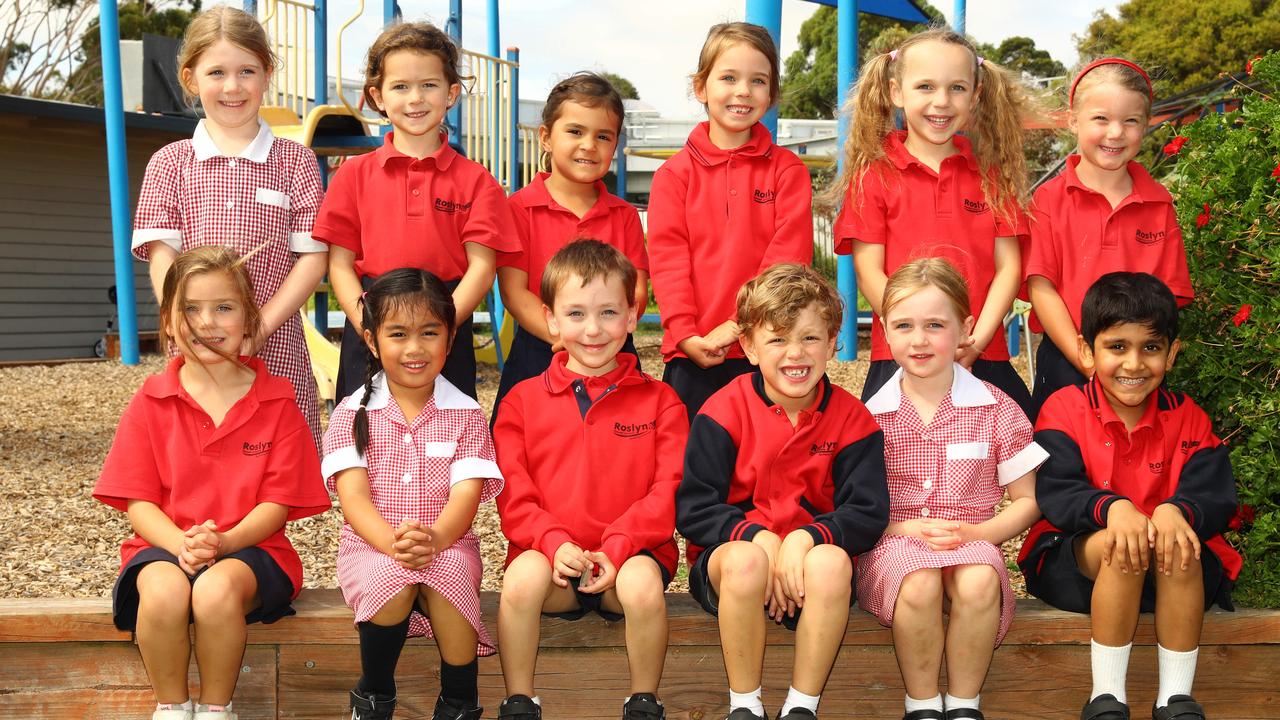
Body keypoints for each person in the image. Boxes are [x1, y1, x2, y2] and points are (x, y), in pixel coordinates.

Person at [94, 245, 331, 720]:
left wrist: (223, 542)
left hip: (253, 549)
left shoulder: (278, 403)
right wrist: (183, 544)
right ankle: (172, 707)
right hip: (164, 543)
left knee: (213, 590)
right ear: (168, 322)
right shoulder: (151, 401)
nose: (207, 322)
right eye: (190, 309)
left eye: (224, 307)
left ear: (250, 320)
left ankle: (217, 709)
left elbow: (277, 506)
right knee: (162, 590)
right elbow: (138, 503)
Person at [1018, 272, 1241, 720]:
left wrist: (1176, 511)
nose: (1134, 364)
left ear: (1171, 354)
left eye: (1151, 348)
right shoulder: (1064, 408)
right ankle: (1108, 697)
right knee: (1122, 542)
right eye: (1117, 347)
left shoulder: (1188, 417)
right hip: (1079, 563)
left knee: (1177, 544)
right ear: (1086, 350)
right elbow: (1057, 491)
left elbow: (1216, 495)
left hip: (1174, 572)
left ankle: (1174, 699)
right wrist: (1114, 507)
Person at [676, 263, 889, 720]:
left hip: (812, 571)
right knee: (747, 561)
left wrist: (806, 537)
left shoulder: (854, 421)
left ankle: (801, 706)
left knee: (832, 562)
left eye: (810, 338)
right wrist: (760, 537)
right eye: (777, 339)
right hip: (732, 566)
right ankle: (745, 705)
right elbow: (694, 510)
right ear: (749, 347)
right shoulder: (722, 411)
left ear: (834, 341)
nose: (796, 353)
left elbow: (868, 512)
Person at [492, 240, 688, 720]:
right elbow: (514, 495)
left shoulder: (662, 401)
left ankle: (644, 700)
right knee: (519, 582)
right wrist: (554, 543)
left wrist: (617, 548)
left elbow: (667, 493)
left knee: (643, 586)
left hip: (629, 560)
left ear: (631, 315)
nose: (594, 329)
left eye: (608, 312)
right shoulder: (520, 401)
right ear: (551, 320)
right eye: (576, 314)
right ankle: (519, 700)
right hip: (552, 562)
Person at [858, 258, 1048, 720]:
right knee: (919, 583)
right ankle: (921, 704)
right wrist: (903, 526)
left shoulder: (996, 407)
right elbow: (854, 506)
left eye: (935, 325)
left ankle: (965, 705)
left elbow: (1028, 500)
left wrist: (981, 535)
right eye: (903, 325)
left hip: (972, 541)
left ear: (965, 328)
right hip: (893, 541)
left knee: (981, 578)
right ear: (884, 330)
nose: (919, 339)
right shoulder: (867, 416)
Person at [131, 6, 327, 444]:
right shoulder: (171, 162)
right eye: (217, 72)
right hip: (197, 342)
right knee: (201, 452)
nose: (233, 86)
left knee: (276, 463)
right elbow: (163, 256)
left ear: (267, 73)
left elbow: (312, 259)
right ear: (191, 78)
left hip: (274, 341)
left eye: (247, 71)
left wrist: (258, 330)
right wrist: (185, 323)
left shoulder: (295, 161)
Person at [321, 269, 504, 720]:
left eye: (429, 332)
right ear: (370, 338)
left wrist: (436, 539)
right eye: (398, 334)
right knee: (391, 577)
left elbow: (465, 496)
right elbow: (355, 498)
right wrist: (395, 545)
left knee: (455, 578)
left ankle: (460, 699)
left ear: (451, 335)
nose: (415, 348)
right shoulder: (351, 412)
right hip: (371, 544)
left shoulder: (465, 413)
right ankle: (375, 693)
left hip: (448, 541)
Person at [825, 28, 1033, 417]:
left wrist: (974, 339)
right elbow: (869, 269)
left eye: (957, 88)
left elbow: (1009, 267)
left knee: (1024, 459)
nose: (942, 101)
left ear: (975, 95)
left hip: (980, 351)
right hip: (903, 354)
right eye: (925, 86)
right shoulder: (874, 175)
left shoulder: (994, 174)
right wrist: (912, 334)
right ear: (895, 92)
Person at [315, 21, 518, 402]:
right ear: (378, 96)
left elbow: (481, 267)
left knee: (448, 437)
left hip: (446, 320)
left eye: (428, 85)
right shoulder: (352, 176)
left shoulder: (477, 182)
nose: (415, 99)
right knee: (364, 438)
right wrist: (367, 327)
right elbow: (339, 265)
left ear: (451, 93)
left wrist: (440, 327)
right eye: (400, 86)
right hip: (372, 320)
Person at [647, 22, 814, 419]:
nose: (743, 91)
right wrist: (685, 333)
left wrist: (738, 325)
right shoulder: (674, 174)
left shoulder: (787, 171)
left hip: (769, 348)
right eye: (728, 77)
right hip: (694, 350)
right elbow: (669, 260)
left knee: (764, 466)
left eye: (758, 81)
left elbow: (786, 262)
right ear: (701, 87)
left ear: (771, 93)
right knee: (693, 469)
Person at [1025, 59, 1193, 419]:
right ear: (1073, 120)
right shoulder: (1049, 200)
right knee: (1060, 465)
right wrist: (1088, 360)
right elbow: (1042, 288)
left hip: (1135, 369)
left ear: (1146, 125)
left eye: (1130, 121)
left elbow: (1167, 298)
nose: (1115, 133)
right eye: (1101, 118)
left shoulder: (1160, 204)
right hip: (1066, 359)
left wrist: (1128, 361)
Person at [493, 72, 649, 414]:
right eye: (575, 131)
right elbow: (515, 292)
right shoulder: (519, 209)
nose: (589, 145)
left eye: (603, 136)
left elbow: (636, 290)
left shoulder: (623, 215)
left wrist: (607, 332)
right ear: (546, 137)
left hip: (613, 350)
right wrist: (563, 337)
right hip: (541, 348)